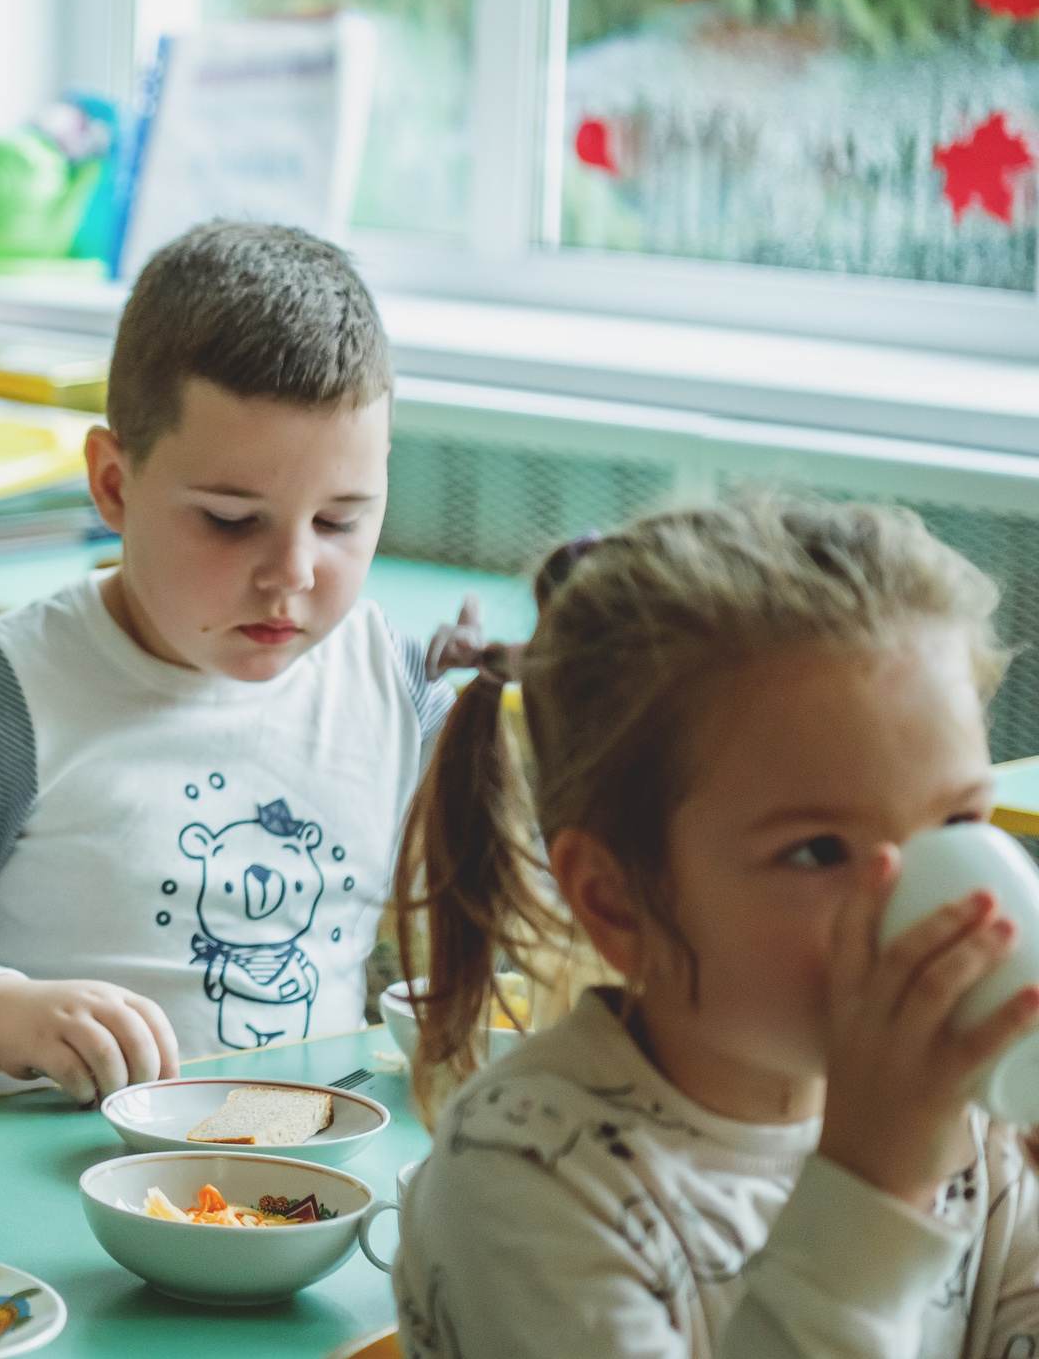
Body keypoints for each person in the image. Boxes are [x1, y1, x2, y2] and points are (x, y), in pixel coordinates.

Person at [0, 222, 472, 1110]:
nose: (292, 571)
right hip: (3, 1229)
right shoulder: (2, 690)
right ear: (113, 484)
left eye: (340, 521)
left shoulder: (395, 690)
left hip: (282, 1211)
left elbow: (514, 922)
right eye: (230, 519)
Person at [392, 499, 1039, 1358]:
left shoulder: (975, 1118)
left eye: (957, 825)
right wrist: (874, 1192)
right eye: (818, 849)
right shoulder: (525, 1173)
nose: (911, 908)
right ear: (618, 899)